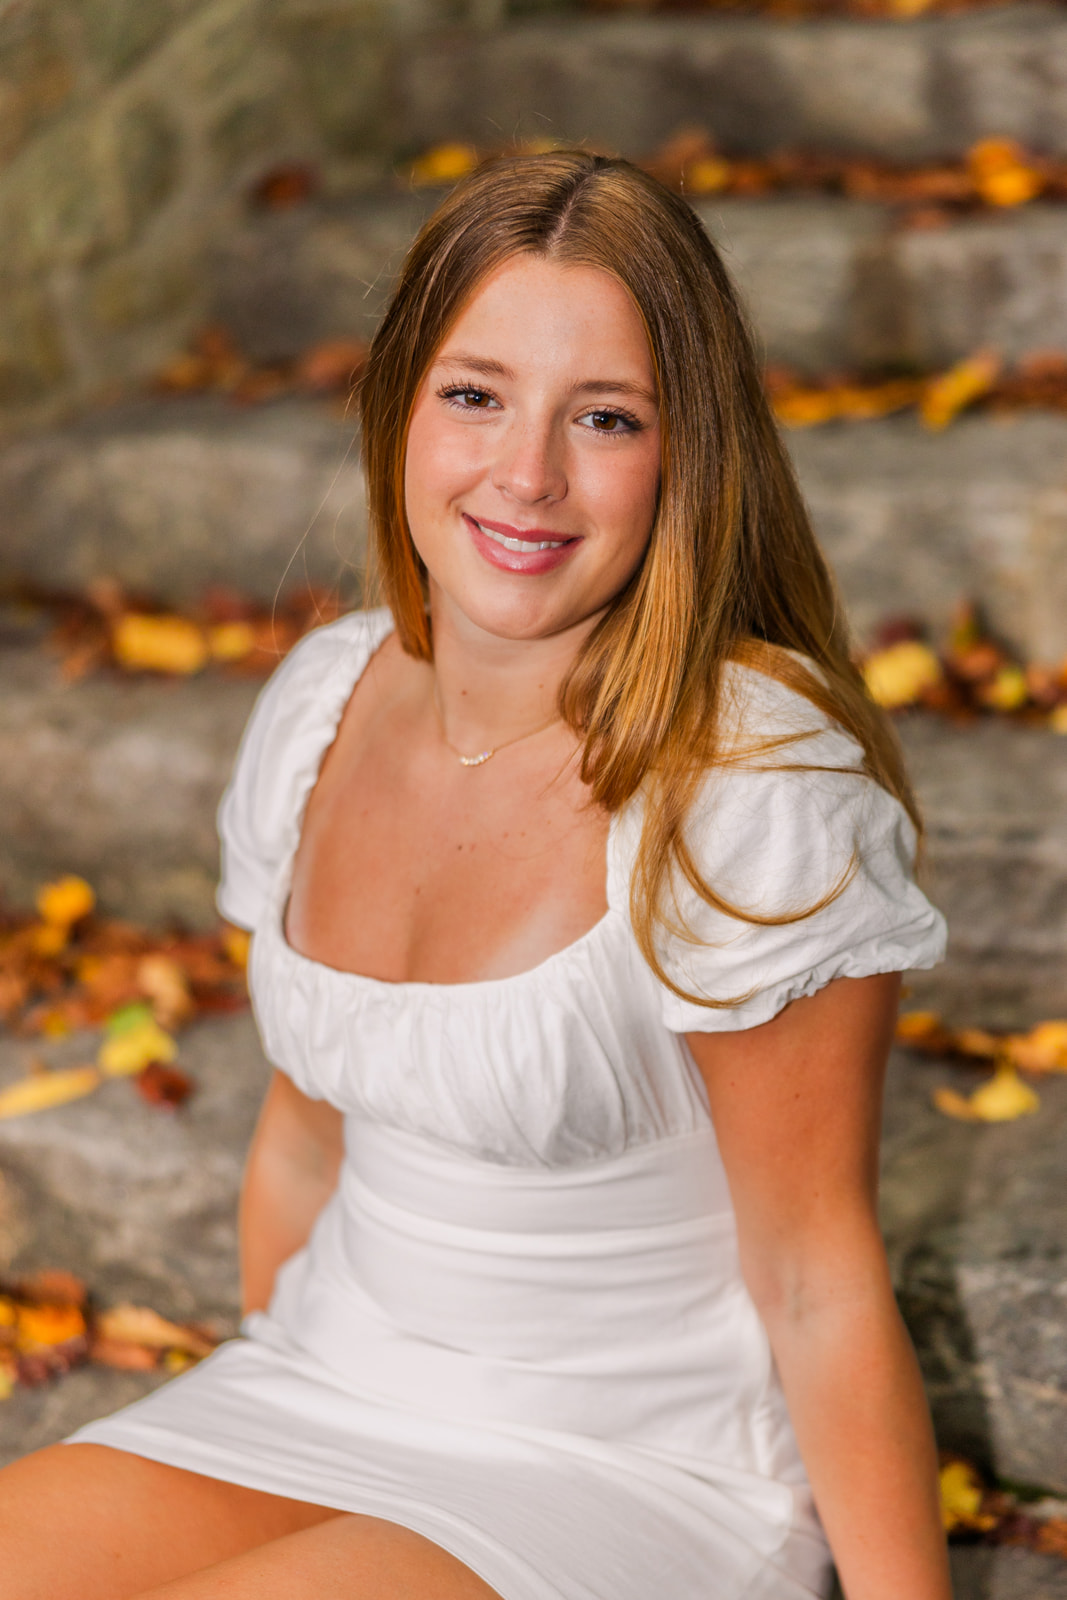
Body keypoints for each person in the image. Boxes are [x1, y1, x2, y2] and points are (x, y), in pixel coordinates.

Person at [1, 151, 951, 1600]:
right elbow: (303, 1151)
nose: (529, 475)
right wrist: (261, 1439)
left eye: (607, 418)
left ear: (688, 454)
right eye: (476, 394)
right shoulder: (322, 700)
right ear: (398, 407)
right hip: (315, 1389)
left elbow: (819, 1283)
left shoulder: (754, 787)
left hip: (627, 1470)